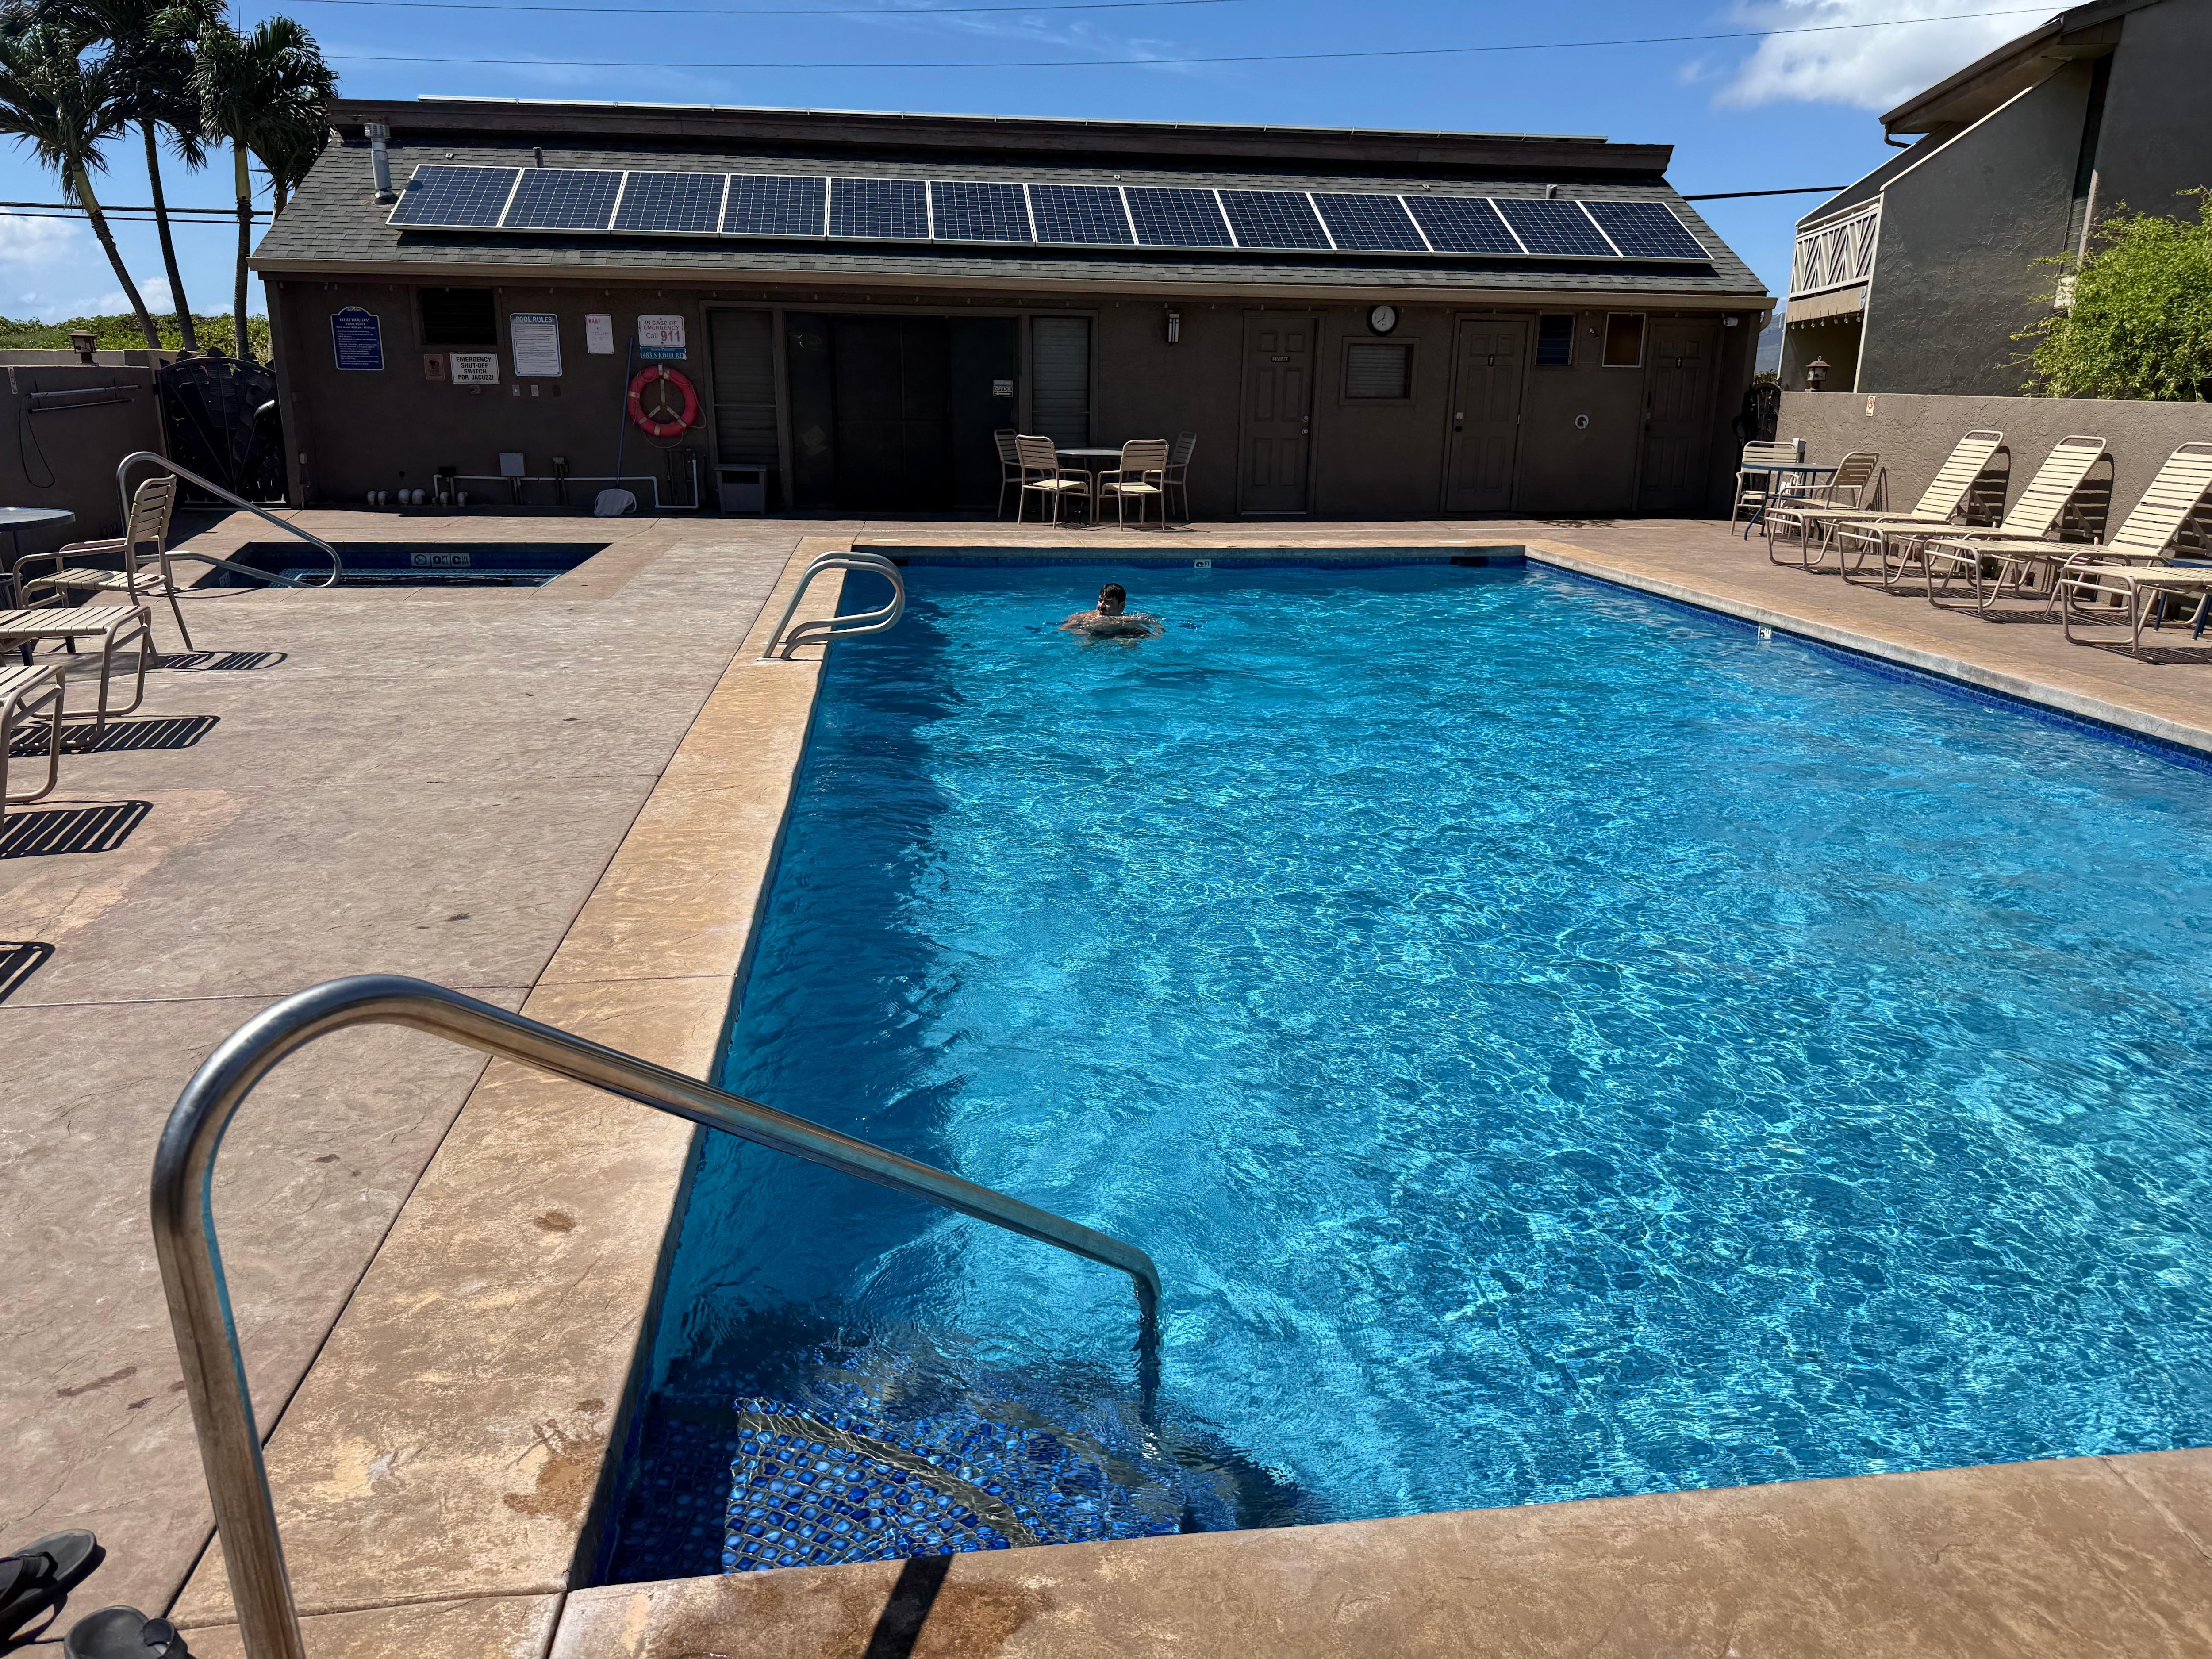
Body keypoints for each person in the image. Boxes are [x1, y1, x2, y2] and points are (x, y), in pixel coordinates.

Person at [1059, 583, 1160, 639]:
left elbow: (1150, 619)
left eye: (1108, 602)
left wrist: (1158, 632)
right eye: (1100, 601)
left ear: (1122, 606)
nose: (1101, 606)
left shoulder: (1127, 620)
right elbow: (1063, 627)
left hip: (1121, 635)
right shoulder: (1087, 616)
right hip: (1094, 636)